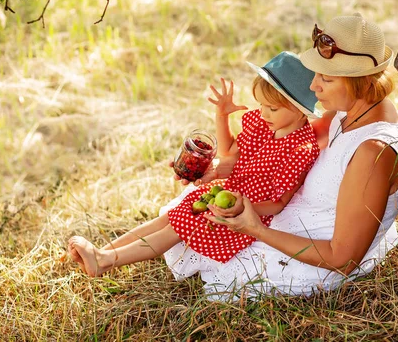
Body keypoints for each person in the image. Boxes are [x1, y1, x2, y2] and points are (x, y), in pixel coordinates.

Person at [161, 13, 398, 301]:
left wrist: (254, 228)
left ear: (359, 82)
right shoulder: (353, 108)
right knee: (189, 212)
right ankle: (108, 256)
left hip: (313, 258)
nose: (312, 86)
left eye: (326, 78)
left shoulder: (373, 152)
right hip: (288, 218)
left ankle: (106, 259)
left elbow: (342, 259)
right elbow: (281, 145)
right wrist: (219, 169)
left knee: (196, 227)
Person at [68, 51, 321, 276]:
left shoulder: (300, 149)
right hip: (225, 192)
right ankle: (100, 252)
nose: (264, 113)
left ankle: (104, 261)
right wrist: (221, 117)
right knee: (167, 219)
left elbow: (278, 204)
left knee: (178, 227)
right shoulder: (264, 122)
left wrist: (242, 209)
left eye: (272, 108)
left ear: (299, 109)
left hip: (241, 212)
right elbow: (230, 154)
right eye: (262, 105)